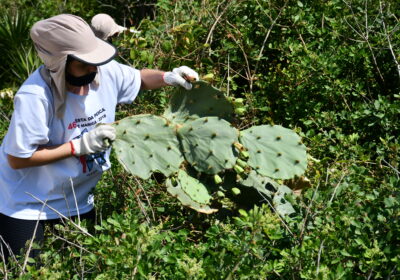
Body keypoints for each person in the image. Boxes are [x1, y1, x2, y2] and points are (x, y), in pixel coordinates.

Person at [0, 14, 199, 263]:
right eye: (84, 64)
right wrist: (78, 146)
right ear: (60, 63)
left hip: (79, 200)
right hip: (27, 206)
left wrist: (167, 77)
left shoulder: (102, 71)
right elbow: (19, 159)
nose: (93, 69)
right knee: (27, 271)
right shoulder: (35, 96)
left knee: (79, 268)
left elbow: (138, 78)